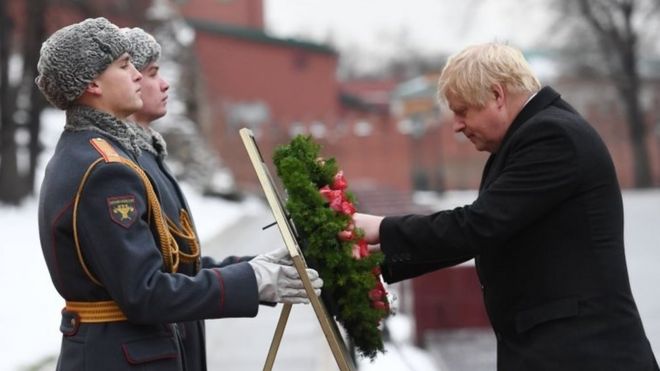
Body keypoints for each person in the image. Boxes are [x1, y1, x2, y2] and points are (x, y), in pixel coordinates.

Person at [36, 18, 321, 371]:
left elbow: (170, 265)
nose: (138, 75)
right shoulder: (104, 169)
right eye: (125, 66)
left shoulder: (101, 154)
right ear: (92, 82)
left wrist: (253, 269)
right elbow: (146, 292)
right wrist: (253, 282)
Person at [354, 42, 659, 370]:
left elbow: (480, 225)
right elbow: (486, 233)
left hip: (585, 355)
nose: (456, 125)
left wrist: (380, 228)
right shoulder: (526, 138)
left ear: (497, 95)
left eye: (462, 111)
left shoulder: (553, 136)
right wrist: (374, 262)